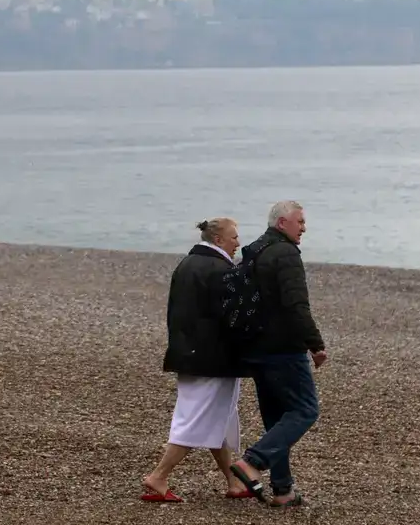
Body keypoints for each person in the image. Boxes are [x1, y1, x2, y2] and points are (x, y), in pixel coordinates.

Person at [141, 217, 252, 503]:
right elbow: (233, 317)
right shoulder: (220, 269)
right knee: (196, 418)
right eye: (234, 238)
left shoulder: (188, 264)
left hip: (188, 353)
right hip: (212, 359)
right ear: (218, 240)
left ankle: (233, 481)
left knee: (219, 416)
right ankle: (159, 475)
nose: (238, 243)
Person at [229, 200, 328, 508]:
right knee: (304, 410)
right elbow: (296, 305)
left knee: (277, 420)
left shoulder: (254, 250)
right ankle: (253, 461)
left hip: (255, 348)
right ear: (282, 223)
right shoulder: (285, 254)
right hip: (283, 348)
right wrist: (316, 344)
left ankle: (283, 490)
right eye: (300, 221)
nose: (304, 227)